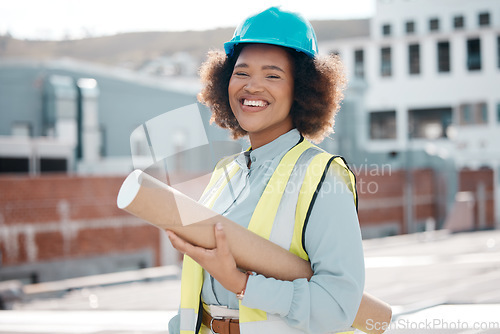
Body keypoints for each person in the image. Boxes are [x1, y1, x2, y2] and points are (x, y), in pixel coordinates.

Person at [167, 6, 364, 334]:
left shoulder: (321, 177)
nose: (252, 86)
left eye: (272, 75)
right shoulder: (224, 175)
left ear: (302, 90)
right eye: (241, 72)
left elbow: (337, 309)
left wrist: (240, 283)